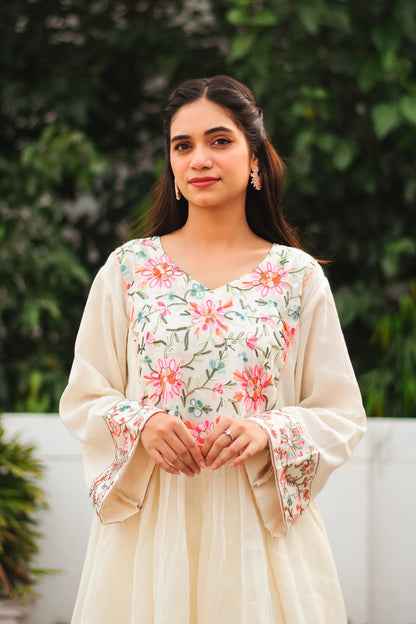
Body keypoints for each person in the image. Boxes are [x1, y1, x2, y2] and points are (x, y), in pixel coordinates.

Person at [60, 75, 366, 624]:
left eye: (219, 140)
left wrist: (267, 430)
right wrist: (142, 423)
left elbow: (341, 413)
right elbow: (84, 397)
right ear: (172, 168)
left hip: (258, 532)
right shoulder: (129, 270)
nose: (200, 157)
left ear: (255, 159)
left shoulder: (296, 278)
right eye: (183, 145)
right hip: (151, 532)